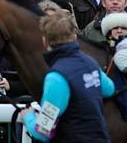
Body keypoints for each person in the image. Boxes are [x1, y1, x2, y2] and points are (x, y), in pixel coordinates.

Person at [20, 11, 114, 142]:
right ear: (74, 38)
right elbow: (109, 89)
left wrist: (28, 117)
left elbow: (43, 131)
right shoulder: (90, 62)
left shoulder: (56, 77)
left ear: (45, 42)